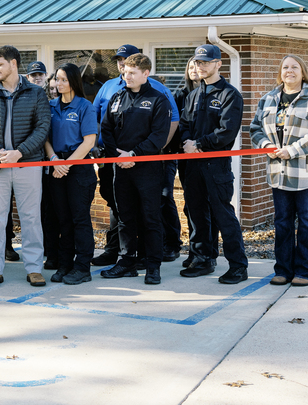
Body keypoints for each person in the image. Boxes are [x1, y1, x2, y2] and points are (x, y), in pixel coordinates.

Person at [249, 55, 308, 287]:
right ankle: (283, 270)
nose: (289, 71)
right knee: (283, 221)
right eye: (285, 67)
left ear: (302, 72)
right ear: (280, 72)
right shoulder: (268, 99)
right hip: (280, 172)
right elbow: (255, 128)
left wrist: (293, 150)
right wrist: (266, 146)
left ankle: (305, 271)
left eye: (294, 67)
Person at [91, 45, 179, 267]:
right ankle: (125, 259)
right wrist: (118, 156)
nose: (125, 74)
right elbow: (105, 127)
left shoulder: (159, 97)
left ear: (145, 73)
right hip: (118, 166)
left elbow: (160, 134)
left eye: (131, 71)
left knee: (150, 216)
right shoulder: (116, 95)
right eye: (124, 70)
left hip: (146, 167)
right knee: (123, 215)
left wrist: (134, 154)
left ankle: (151, 264)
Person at [0, 45, 51, 288]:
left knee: (31, 218)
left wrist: (20, 152)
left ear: (13, 64)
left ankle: (34, 268)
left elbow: (43, 127)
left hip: (27, 165)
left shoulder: (36, 93)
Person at [178, 45, 249, 284]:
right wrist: (187, 142)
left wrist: (198, 144)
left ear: (219, 63)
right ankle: (203, 259)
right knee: (196, 214)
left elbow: (226, 132)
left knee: (223, 216)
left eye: (206, 62)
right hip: (193, 166)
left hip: (216, 165)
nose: (201, 66)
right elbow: (184, 124)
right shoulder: (193, 95)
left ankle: (238, 266)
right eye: (198, 62)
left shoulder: (229, 94)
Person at [43, 64, 98, 285]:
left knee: (80, 219)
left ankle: (83, 267)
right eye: (57, 79)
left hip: (79, 169)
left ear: (74, 81)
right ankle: (65, 264)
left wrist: (66, 164)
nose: (59, 84)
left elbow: (89, 141)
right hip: (56, 167)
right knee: (62, 220)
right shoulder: (50, 106)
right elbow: (45, 139)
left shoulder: (85, 107)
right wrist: (55, 160)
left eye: (64, 79)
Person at [170, 57, 203, 267]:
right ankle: (193, 252)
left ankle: (206, 252)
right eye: (190, 66)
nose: (193, 70)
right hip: (185, 156)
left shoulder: (215, 93)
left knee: (206, 208)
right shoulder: (180, 95)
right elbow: (177, 124)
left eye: (196, 66)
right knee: (190, 207)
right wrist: (186, 143)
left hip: (207, 156)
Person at [26, 61, 59, 270]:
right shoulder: (29, 99)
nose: (37, 78)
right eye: (33, 75)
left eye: (40, 75)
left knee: (54, 209)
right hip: (34, 161)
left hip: (57, 161)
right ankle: (44, 249)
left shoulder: (54, 100)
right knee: (38, 210)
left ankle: (55, 251)